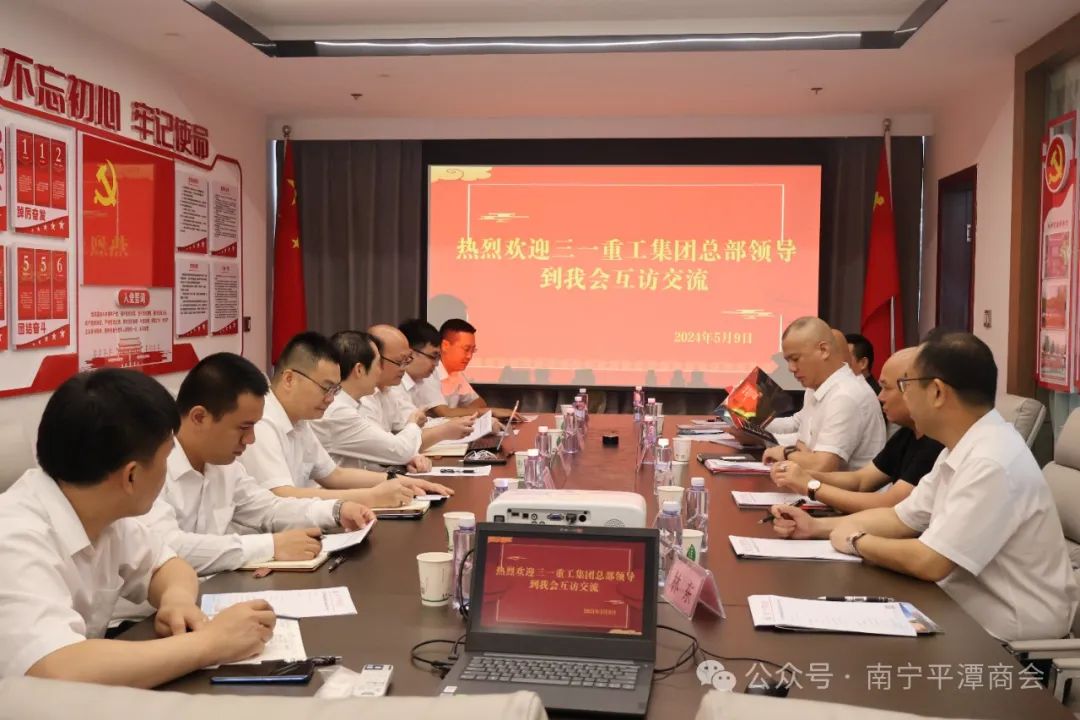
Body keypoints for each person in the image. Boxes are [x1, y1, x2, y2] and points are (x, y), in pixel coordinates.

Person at [770, 333, 1079, 642]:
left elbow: (930, 561)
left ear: (937, 392)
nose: (901, 396)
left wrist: (855, 541)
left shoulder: (991, 461)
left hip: (1004, 635)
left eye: (906, 385)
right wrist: (815, 527)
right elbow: (900, 518)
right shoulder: (961, 446)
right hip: (957, 606)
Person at [0, 369, 275, 686]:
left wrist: (176, 601)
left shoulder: (102, 513)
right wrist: (211, 643)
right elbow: (57, 671)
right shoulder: (15, 539)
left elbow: (168, 565)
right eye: (166, 458)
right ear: (131, 476)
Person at [142, 353, 377, 576]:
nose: (251, 439)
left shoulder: (224, 464)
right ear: (199, 417)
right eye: (243, 428)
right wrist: (271, 546)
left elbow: (268, 509)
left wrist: (335, 510)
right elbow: (169, 547)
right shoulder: (150, 466)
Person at [240, 331, 425, 508]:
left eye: (335, 390)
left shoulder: (299, 419)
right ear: (289, 379)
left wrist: (401, 482)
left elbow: (334, 475)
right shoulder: (261, 422)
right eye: (326, 388)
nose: (330, 399)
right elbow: (281, 495)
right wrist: (371, 497)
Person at [769, 348, 943, 513]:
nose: (880, 396)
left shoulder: (936, 442)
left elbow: (890, 506)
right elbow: (861, 480)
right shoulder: (908, 434)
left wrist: (810, 485)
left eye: (887, 388)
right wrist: (804, 475)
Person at [312, 329, 467, 477]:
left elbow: (382, 452)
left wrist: (407, 458)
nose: (380, 371)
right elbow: (398, 450)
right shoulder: (338, 410)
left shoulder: (352, 402)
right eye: (378, 364)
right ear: (359, 370)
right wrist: (413, 424)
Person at [763, 317, 886, 471]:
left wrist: (785, 452)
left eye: (795, 359)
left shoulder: (845, 395)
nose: (791, 368)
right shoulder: (815, 388)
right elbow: (802, 445)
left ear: (824, 351)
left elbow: (822, 465)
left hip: (843, 486)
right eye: (788, 361)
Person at [431, 318, 514, 419]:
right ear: (445, 346)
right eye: (466, 349)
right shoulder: (429, 372)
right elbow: (444, 413)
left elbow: (479, 403)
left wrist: (460, 413)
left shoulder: (456, 373)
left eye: (472, 350)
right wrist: (489, 411)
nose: (469, 356)